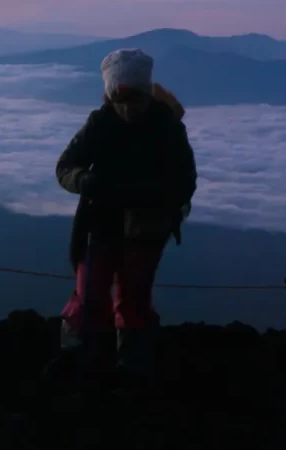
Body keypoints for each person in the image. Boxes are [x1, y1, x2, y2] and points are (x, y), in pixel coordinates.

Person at [50, 48, 196, 390]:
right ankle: (90, 360)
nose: (130, 108)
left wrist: (160, 205)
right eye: (122, 100)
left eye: (136, 99)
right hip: (103, 225)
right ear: (111, 97)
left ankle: (127, 367)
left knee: (133, 296)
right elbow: (65, 168)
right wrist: (82, 180)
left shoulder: (167, 127)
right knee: (91, 293)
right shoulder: (99, 124)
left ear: (148, 93)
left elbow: (185, 179)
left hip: (144, 228)